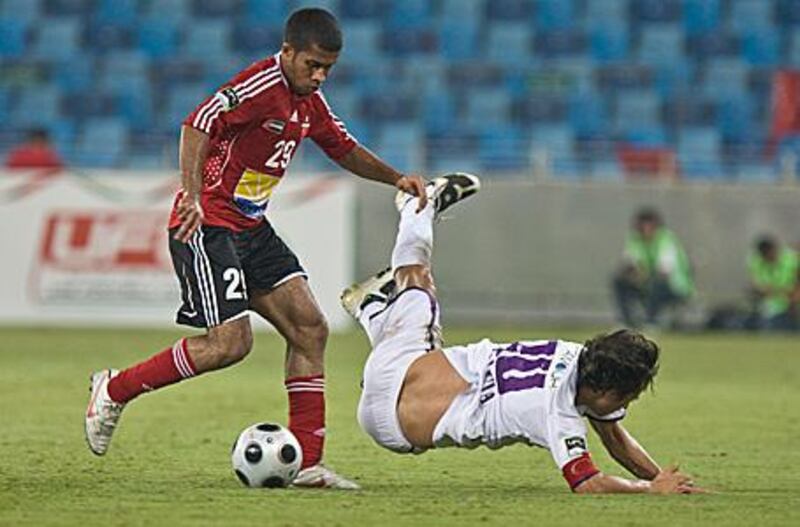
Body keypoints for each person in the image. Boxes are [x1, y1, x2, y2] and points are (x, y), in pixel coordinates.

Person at [84, 8, 427, 490]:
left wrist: (395, 178)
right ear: (287, 52)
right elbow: (196, 123)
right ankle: (113, 389)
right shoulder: (259, 85)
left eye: (328, 67)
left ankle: (306, 464)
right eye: (312, 64)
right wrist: (193, 195)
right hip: (206, 227)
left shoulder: (310, 101)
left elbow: (343, 147)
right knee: (231, 344)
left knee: (310, 328)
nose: (320, 75)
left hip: (251, 229)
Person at [340, 173, 703, 494]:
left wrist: (663, 478)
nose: (626, 407)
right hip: (390, 428)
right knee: (419, 302)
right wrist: (649, 488)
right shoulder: (556, 412)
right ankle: (372, 309)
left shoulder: (580, 356)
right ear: (606, 390)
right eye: (627, 398)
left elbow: (615, 438)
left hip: (395, 368)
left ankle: (415, 210)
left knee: (417, 284)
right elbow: (588, 482)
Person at [611, 207, 694, 329]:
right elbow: (630, 263)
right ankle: (626, 322)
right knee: (619, 281)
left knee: (656, 283)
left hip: (675, 287)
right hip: (646, 282)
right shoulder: (635, 239)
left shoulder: (666, 239)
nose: (645, 228)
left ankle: (651, 322)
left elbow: (664, 271)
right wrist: (635, 275)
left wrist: (643, 275)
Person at [747, 235, 799, 331]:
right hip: (773, 306)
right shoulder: (756, 262)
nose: (768, 258)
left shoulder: (792, 259)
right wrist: (762, 290)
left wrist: (794, 297)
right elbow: (756, 284)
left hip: (794, 304)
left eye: (769, 254)